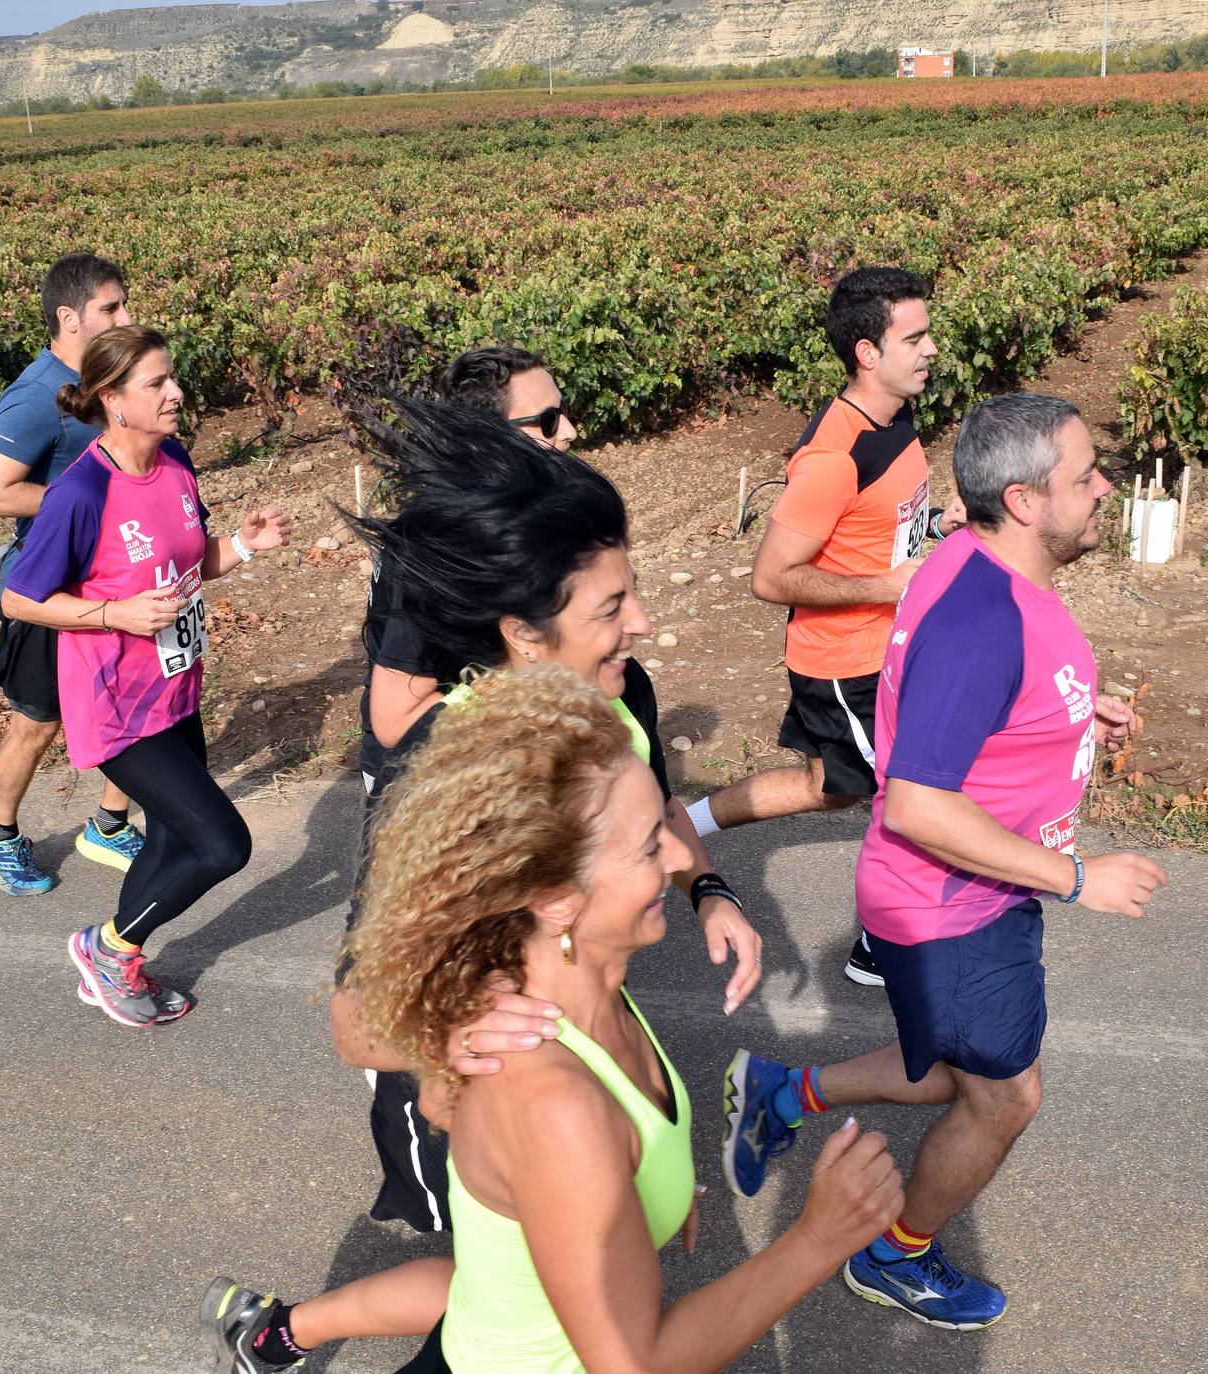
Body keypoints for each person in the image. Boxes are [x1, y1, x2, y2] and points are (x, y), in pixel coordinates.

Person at [203, 666, 904, 1373]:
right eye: (646, 845)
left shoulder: (587, 991)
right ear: (556, 899)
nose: (674, 859)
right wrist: (817, 1238)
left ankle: (277, 1333)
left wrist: (646, 1194)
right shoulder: (551, 1095)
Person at [721, 395, 1169, 1329]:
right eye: (1083, 477)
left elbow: (964, 707)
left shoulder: (967, 559)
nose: (1103, 489)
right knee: (1004, 1097)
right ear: (1022, 500)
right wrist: (1078, 878)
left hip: (962, 894)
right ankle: (893, 1256)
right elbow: (917, 801)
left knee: (947, 1062)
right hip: (955, 905)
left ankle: (780, 1088)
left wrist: (1066, 718)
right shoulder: (980, 617)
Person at [343, 397, 762, 1234]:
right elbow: (357, 1020)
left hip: (583, 1073)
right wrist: (448, 1030)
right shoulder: (471, 777)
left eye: (632, 593)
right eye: (609, 610)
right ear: (525, 637)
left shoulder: (613, 702)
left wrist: (710, 890)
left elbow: (655, 805)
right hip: (481, 1107)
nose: (640, 622)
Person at [0, 325, 292, 1026]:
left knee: (167, 840)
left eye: (172, 377)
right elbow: (19, 597)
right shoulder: (80, 492)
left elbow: (188, 563)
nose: (176, 392)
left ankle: (116, 964)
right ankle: (106, 947)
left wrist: (244, 548)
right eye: (156, 383)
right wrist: (114, 614)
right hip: (117, 706)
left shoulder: (175, 463)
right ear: (113, 400)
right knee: (222, 844)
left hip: (176, 688)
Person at [685, 266, 962, 988]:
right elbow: (769, 578)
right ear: (866, 352)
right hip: (845, 661)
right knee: (907, 793)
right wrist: (886, 586)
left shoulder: (895, 417)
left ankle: (681, 828)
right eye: (916, 335)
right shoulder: (831, 457)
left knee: (832, 785)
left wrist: (934, 522)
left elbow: (877, 524)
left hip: (888, 642)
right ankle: (881, 943)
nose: (931, 348)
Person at [0, 253, 142, 895]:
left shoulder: (109, 379)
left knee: (129, 709)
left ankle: (110, 825)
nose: (127, 317)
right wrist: (95, 497)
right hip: (46, 585)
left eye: (125, 304)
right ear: (70, 318)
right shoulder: (37, 395)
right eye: (112, 309)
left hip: (109, 577)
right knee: (38, 723)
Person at [358, 345, 577, 794]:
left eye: (567, 411)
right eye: (549, 421)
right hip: (428, 778)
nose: (571, 431)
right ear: (482, 440)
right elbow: (396, 717)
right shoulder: (440, 542)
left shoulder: (522, 512)